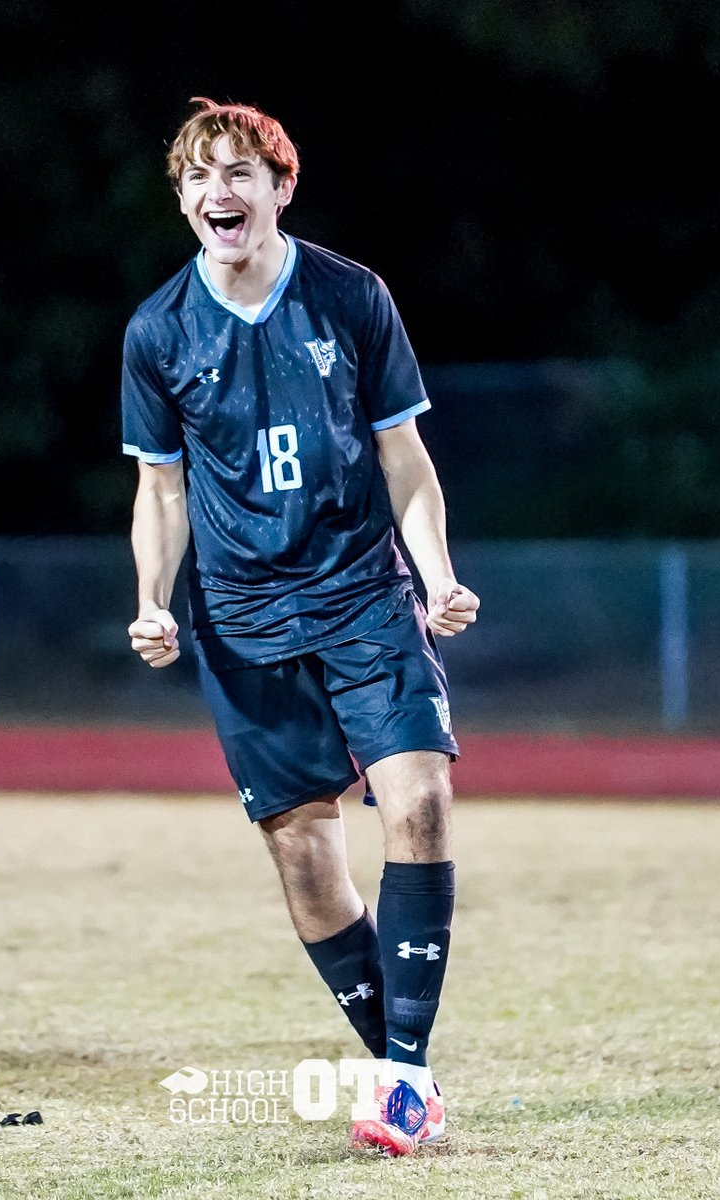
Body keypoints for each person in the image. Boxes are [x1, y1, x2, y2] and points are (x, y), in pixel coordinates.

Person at [121, 97, 480, 1157]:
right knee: (307, 854)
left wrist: (441, 575)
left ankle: (404, 1080)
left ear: (281, 187)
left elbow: (403, 455)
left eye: (239, 173)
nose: (216, 193)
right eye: (197, 178)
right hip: (241, 622)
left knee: (418, 801)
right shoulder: (158, 330)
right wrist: (151, 598)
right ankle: (392, 1063)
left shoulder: (351, 297)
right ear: (183, 199)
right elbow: (162, 489)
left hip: (365, 595)